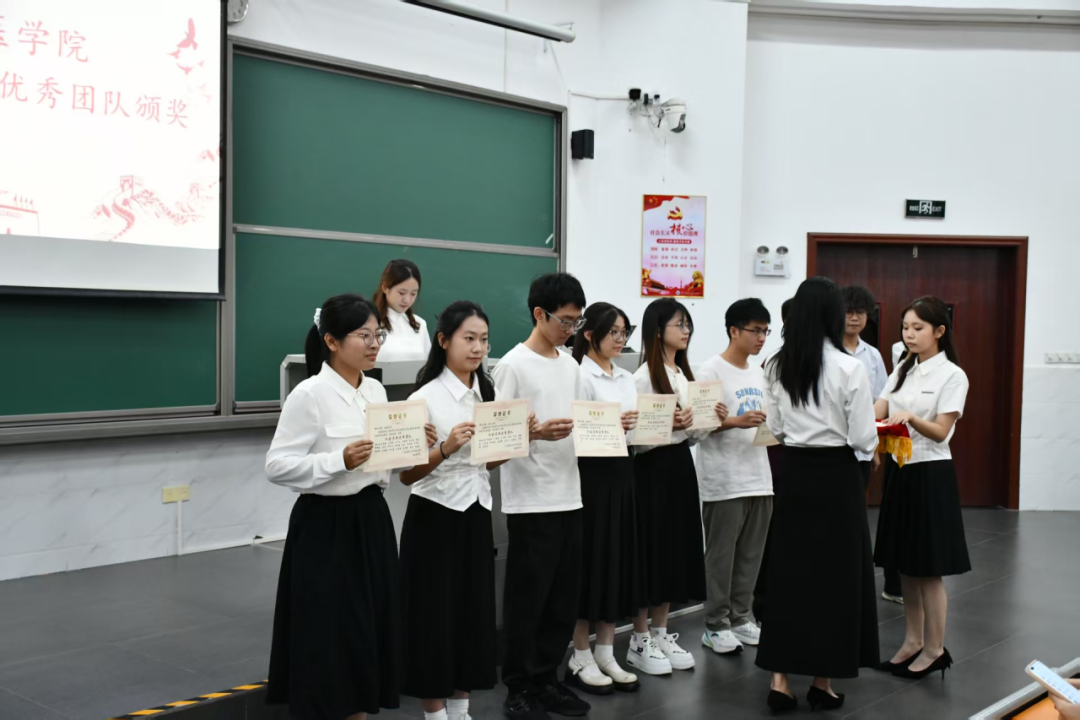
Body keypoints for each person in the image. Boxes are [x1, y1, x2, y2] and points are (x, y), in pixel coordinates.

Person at [266, 293, 435, 720]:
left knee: (367, 629)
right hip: (325, 527)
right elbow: (277, 466)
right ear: (332, 341)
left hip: (372, 519)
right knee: (329, 633)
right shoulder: (310, 394)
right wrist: (337, 460)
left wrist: (414, 444)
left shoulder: (375, 390)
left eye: (378, 335)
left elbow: (385, 461)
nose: (375, 344)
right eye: (364, 335)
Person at [399, 301, 536, 720]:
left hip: (476, 513)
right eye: (469, 338)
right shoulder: (423, 398)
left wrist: (520, 439)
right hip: (434, 518)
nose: (478, 348)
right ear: (443, 341)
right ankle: (434, 712)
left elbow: (486, 462)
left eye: (484, 340)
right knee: (434, 616)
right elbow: (406, 474)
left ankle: (461, 708)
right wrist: (445, 448)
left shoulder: (488, 392)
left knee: (473, 612)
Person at [755, 277, 879, 714]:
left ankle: (779, 680)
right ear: (832, 315)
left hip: (795, 473)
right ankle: (822, 683)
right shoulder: (849, 367)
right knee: (834, 579)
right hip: (837, 477)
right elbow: (863, 437)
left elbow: (776, 427)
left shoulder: (776, 365)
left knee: (788, 575)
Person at [492, 273, 591, 720]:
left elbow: (584, 420)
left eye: (576, 321)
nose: (571, 329)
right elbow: (495, 435)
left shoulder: (570, 365)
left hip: (570, 493)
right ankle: (518, 686)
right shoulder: (512, 366)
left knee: (561, 600)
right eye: (565, 321)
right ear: (539, 314)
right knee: (527, 601)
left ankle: (547, 680)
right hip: (531, 499)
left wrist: (608, 426)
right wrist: (534, 434)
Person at [874, 296, 971, 680]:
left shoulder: (953, 375)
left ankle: (935, 649)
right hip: (900, 472)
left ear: (939, 331)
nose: (909, 335)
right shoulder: (902, 368)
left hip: (931, 474)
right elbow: (879, 408)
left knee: (928, 569)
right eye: (905, 328)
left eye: (918, 328)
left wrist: (911, 418)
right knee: (905, 565)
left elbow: (942, 431)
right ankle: (912, 641)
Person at [627, 298, 725, 676]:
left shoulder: (684, 374)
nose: (686, 331)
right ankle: (639, 638)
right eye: (679, 324)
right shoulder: (642, 378)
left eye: (687, 324)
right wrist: (671, 424)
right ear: (657, 331)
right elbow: (635, 439)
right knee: (651, 551)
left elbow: (693, 435)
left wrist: (708, 420)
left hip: (681, 465)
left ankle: (661, 631)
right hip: (652, 470)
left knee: (674, 549)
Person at [565, 303, 643, 696]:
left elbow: (633, 432)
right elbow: (577, 431)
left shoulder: (626, 377)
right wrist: (614, 425)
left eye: (624, 332)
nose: (620, 339)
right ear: (590, 334)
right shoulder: (578, 374)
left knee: (616, 560)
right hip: (591, 476)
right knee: (591, 562)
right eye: (613, 332)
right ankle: (580, 652)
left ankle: (607, 651)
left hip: (622, 472)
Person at [695, 299, 773, 656]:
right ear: (734, 330)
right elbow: (699, 425)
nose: (761, 338)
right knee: (721, 558)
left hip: (759, 475)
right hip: (723, 480)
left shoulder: (759, 373)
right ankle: (715, 625)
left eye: (765, 331)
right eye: (755, 331)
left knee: (750, 556)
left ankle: (742, 617)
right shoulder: (709, 370)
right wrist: (734, 422)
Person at [753, 297, 792, 625]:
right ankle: (764, 604)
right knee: (771, 536)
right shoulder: (775, 364)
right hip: (776, 460)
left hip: (802, 463)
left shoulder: (835, 364)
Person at [841, 285, 889, 492]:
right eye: (848, 312)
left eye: (860, 312)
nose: (854, 318)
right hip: (833, 445)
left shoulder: (873, 355)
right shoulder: (827, 353)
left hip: (863, 449)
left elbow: (880, 401)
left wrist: (874, 448)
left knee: (858, 500)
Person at [374, 259, 432, 362]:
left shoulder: (419, 324)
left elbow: (429, 364)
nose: (407, 300)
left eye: (413, 294)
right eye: (401, 293)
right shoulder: (370, 322)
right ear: (385, 288)